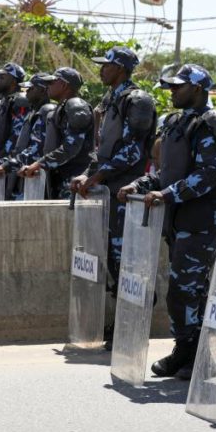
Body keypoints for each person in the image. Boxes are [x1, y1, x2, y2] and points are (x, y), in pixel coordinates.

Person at [117, 64, 216, 380]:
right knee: (186, 291)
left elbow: (207, 176)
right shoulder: (176, 123)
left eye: (178, 87)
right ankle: (188, 351)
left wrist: (166, 194)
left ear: (197, 89)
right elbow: (168, 172)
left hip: (201, 220)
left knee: (185, 291)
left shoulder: (213, 125)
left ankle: (195, 353)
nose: (171, 91)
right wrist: (142, 185)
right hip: (177, 219)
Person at [71, 46, 157, 350]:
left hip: (126, 193)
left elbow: (134, 149)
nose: (101, 70)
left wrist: (99, 176)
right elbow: (102, 148)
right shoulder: (110, 100)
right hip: (108, 191)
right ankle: (121, 322)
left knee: (128, 265)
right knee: (112, 263)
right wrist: (89, 173)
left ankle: (131, 325)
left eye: (106, 65)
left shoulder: (138, 101)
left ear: (120, 68)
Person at [18, 67, 95, 200]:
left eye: (52, 82)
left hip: (74, 180)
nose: (48, 86)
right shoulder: (62, 108)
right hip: (60, 179)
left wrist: (40, 164)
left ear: (64, 85)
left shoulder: (77, 107)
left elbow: (71, 148)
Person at [0, 63, 29, 198]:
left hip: (11, 165)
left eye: (2, 77)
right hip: (0, 163)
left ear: (14, 81)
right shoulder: (5, 101)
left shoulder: (20, 102)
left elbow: (17, 138)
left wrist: (3, 163)